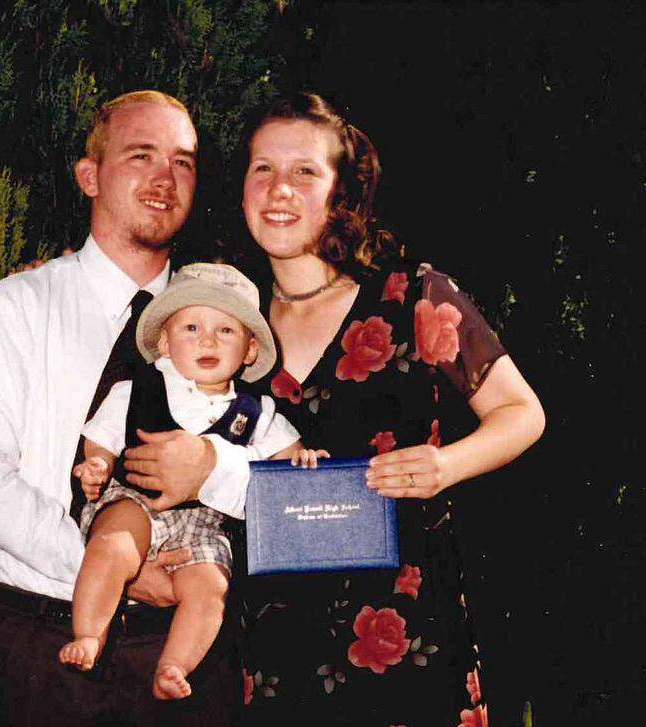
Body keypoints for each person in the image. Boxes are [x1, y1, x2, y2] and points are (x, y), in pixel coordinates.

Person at [129, 92, 546, 725]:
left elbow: (523, 412)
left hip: (410, 641)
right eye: (262, 168)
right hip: (271, 651)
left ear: (340, 193)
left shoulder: (413, 297)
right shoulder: (216, 329)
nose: (279, 190)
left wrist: (446, 464)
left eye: (305, 171)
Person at [0, 91, 251, 726]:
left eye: (183, 162)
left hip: (188, 654)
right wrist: (111, 568)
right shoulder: (14, 309)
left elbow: (272, 471)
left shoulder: (228, 327)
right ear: (90, 176)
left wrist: (217, 470)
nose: (165, 179)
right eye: (141, 155)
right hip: (43, 648)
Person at [59, 262, 327, 701]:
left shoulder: (257, 411)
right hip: (136, 499)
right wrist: (96, 467)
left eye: (226, 331)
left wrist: (306, 460)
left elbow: (289, 461)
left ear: (250, 351)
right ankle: (90, 633)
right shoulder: (137, 387)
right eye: (191, 327)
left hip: (205, 523)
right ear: (163, 342)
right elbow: (100, 438)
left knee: (210, 588)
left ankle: (174, 666)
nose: (207, 339)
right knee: (112, 546)